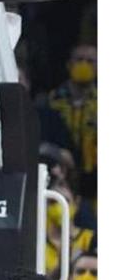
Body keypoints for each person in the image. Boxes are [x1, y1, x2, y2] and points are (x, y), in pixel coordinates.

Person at [45, 44, 97, 201]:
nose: (84, 65)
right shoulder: (52, 100)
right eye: (79, 59)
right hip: (63, 172)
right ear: (69, 65)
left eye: (90, 61)